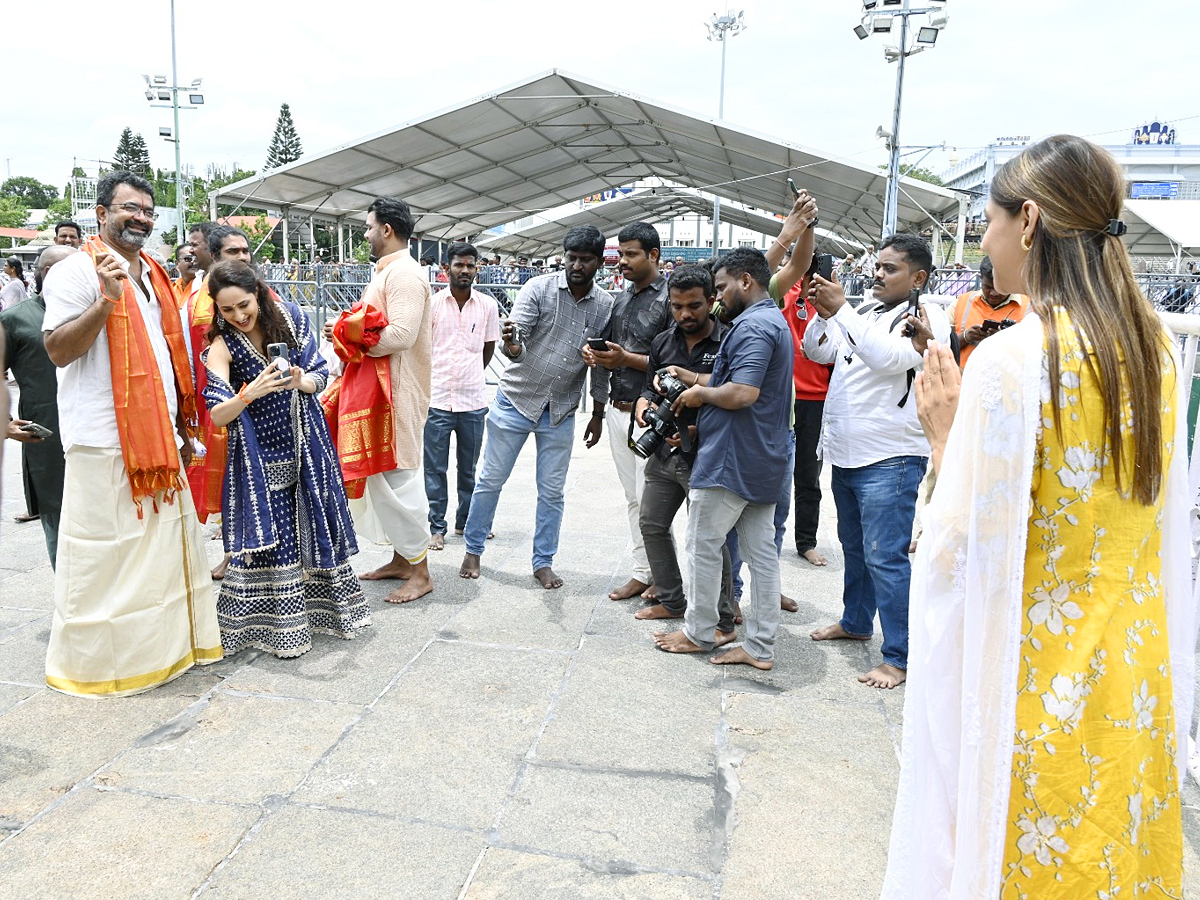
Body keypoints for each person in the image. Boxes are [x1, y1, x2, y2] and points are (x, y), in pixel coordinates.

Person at [881, 135, 1193, 900]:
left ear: (1028, 222)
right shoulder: (1156, 348)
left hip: (1033, 682)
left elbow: (959, 554)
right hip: (1131, 670)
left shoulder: (1013, 361)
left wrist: (945, 440)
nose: (982, 242)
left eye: (987, 221)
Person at [41, 170, 222, 696]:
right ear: (101, 214)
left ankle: (163, 653)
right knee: (107, 558)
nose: (140, 217)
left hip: (158, 437)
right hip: (103, 438)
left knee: (160, 555)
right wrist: (105, 300)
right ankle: (103, 666)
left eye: (147, 210)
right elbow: (58, 350)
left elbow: (168, 359)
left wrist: (181, 425)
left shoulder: (158, 276)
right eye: (129, 208)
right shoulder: (77, 271)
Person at [805, 233, 952, 689]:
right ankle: (855, 621)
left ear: (918, 277)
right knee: (855, 549)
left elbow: (888, 359)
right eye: (878, 266)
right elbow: (819, 351)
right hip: (847, 452)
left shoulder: (929, 318)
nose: (878, 274)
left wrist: (842, 310)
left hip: (891, 456)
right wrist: (823, 311)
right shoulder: (866, 312)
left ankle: (901, 656)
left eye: (890, 269)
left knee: (885, 557)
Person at [202, 260, 369, 658]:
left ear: (257, 293)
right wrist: (248, 394)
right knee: (272, 534)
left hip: (306, 445)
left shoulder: (292, 320)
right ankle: (277, 629)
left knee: (312, 524)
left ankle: (324, 615)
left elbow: (320, 375)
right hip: (259, 456)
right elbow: (217, 413)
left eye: (244, 305)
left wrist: (299, 381)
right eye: (227, 310)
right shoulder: (222, 346)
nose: (239, 316)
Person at [652, 248, 794, 670]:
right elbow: (737, 379)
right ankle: (760, 647)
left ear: (745, 281)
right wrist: (692, 376)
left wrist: (699, 395)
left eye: (720, 288)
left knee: (702, 545)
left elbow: (742, 393)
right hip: (762, 457)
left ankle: (698, 631)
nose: (717, 299)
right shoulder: (771, 321)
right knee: (761, 554)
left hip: (731, 459)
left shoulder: (752, 327)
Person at [459, 224, 613, 589]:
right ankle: (473, 547)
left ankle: (543, 561)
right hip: (516, 400)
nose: (576, 266)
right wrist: (513, 347)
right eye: (571, 258)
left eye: (585, 260)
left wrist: (597, 413)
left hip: (560, 410)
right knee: (491, 480)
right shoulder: (538, 288)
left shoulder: (606, 305)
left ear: (598, 263)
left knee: (552, 491)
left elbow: (604, 361)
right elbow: (516, 344)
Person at [329, 196, 435, 604]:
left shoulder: (404, 274)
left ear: (387, 230)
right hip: (381, 393)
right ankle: (401, 560)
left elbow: (401, 335)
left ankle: (421, 572)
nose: (367, 235)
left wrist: (346, 337)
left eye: (369, 228)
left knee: (399, 481)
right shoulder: (389, 272)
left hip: (397, 395)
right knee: (385, 478)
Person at [632, 264, 735, 635]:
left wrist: (695, 426)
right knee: (652, 524)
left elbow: (736, 392)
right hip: (663, 452)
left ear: (711, 300)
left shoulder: (728, 340)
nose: (685, 315)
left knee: (708, 537)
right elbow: (649, 386)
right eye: (677, 307)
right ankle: (672, 600)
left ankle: (723, 616)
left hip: (705, 455)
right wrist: (644, 406)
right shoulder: (663, 341)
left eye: (693, 306)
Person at [583, 221, 671, 602]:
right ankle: (643, 571)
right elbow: (611, 354)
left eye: (631, 254)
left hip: (650, 414)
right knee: (633, 498)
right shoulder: (621, 299)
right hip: (619, 411)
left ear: (654, 255)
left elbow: (672, 363)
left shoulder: (672, 299)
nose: (622, 262)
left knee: (651, 501)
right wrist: (596, 360)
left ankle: (662, 578)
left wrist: (626, 359)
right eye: (620, 254)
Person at [423, 241, 500, 550]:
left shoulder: (488, 306)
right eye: (459, 265)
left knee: (468, 469)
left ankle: (465, 523)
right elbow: (422, 349)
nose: (465, 270)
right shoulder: (431, 304)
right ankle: (436, 528)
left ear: (476, 269)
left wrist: (470, 374)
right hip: (437, 399)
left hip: (472, 401)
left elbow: (489, 348)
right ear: (447, 269)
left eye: (470, 265)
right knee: (435, 469)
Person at [2, 245, 72, 557]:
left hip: (96, 431)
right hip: (46, 434)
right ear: (46, 273)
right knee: (57, 516)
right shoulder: (16, 319)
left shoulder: (96, 311)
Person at [950, 255, 1028, 368]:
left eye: (1000, 287)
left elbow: (1037, 355)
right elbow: (941, 346)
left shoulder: (1030, 308)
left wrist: (1004, 341)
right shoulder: (960, 303)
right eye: (988, 287)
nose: (994, 293)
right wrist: (966, 337)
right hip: (963, 382)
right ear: (980, 278)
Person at [173, 243, 197, 308]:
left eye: (196, 258)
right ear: (177, 264)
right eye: (188, 258)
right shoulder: (171, 289)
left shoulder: (206, 288)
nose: (193, 261)